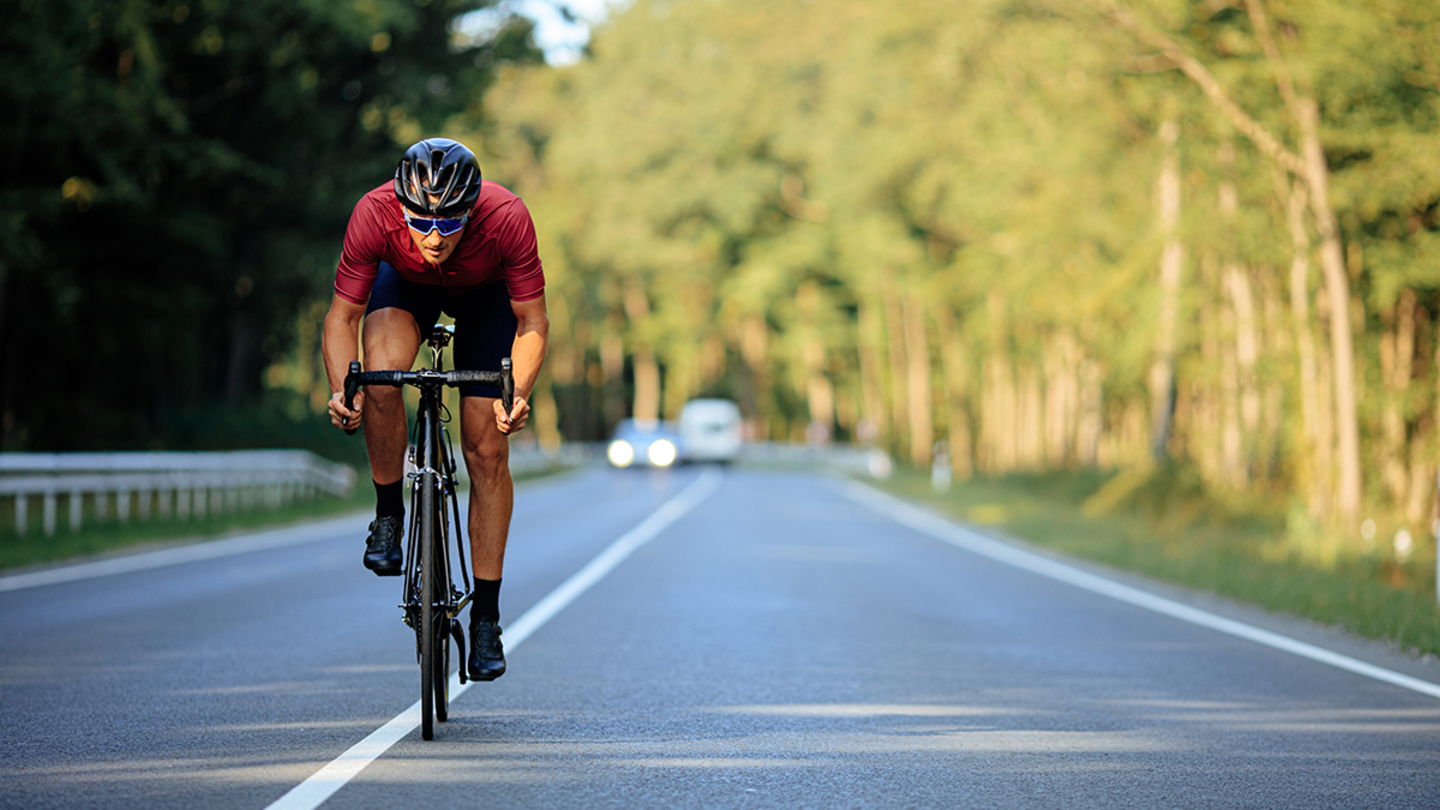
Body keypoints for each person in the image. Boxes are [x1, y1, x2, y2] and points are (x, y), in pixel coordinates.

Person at [321, 137, 548, 682]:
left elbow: (532, 323)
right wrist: (341, 388)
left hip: (487, 297)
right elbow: (341, 319)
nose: (434, 236)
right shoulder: (374, 213)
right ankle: (388, 516)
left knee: (485, 446)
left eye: (450, 223)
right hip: (405, 287)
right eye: (421, 222)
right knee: (379, 370)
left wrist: (517, 393)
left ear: (472, 210)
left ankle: (487, 618)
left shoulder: (506, 217)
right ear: (401, 206)